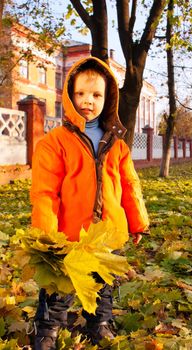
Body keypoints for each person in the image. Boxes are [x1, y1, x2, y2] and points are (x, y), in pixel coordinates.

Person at [30, 56, 149, 349]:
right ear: (70, 95)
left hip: (108, 233)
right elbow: (45, 191)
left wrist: (137, 221)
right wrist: (48, 234)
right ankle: (46, 328)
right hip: (70, 234)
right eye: (81, 93)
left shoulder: (117, 143)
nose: (88, 100)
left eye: (96, 95)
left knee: (102, 284)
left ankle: (99, 323)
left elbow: (129, 184)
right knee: (59, 288)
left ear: (108, 99)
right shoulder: (54, 142)